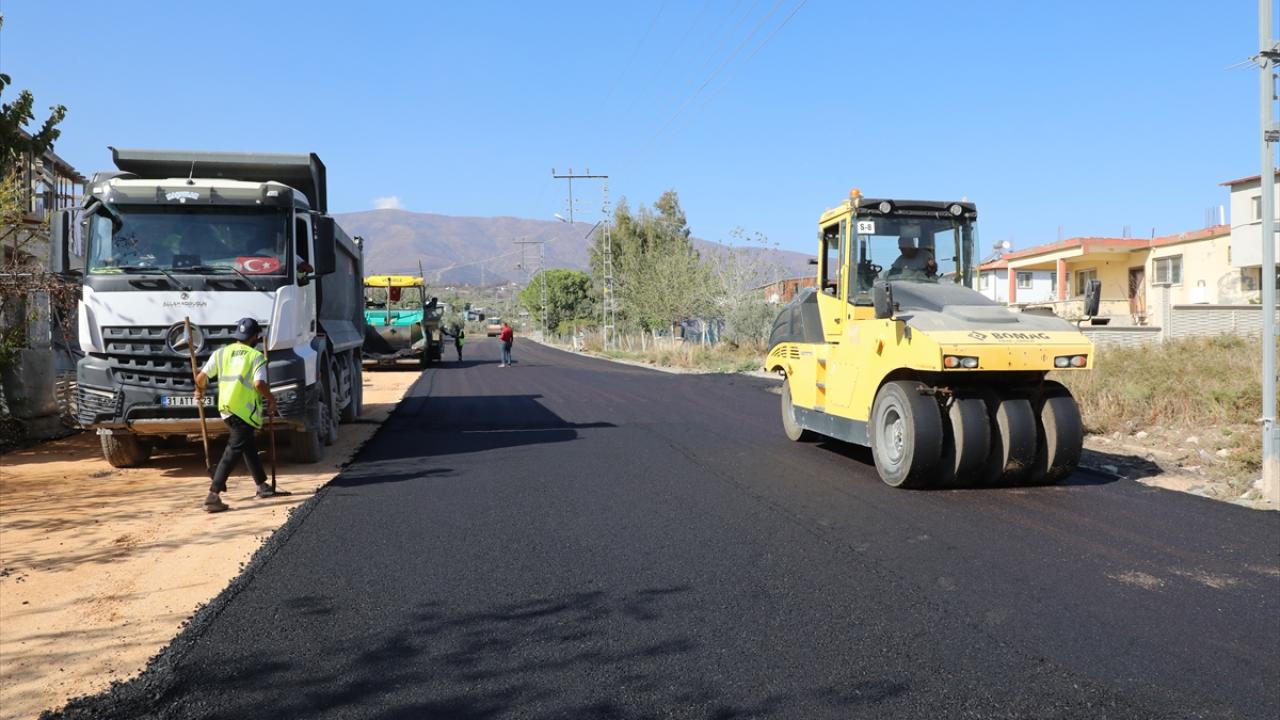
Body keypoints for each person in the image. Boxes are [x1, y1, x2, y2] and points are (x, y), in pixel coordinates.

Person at [194, 317, 282, 512]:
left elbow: (201, 377)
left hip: (226, 409)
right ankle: (213, 495)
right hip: (244, 412)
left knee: (247, 446)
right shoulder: (256, 357)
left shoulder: (221, 353)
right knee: (233, 451)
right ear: (255, 337)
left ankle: (261, 485)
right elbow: (259, 384)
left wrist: (199, 391)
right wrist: (272, 399)